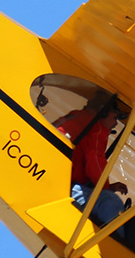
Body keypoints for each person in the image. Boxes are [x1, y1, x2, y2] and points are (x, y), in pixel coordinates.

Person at [53, 95, 129, 226]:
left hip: (50, 170)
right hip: (63, 183)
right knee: (111, 201)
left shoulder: (76, 115)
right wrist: (104, 188)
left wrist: (108, 187)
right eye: (115, 117)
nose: (115, 123)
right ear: (103, 111)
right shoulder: (96, 128)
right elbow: (95, 162)